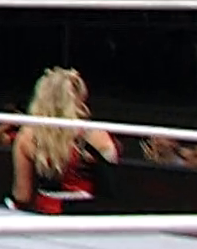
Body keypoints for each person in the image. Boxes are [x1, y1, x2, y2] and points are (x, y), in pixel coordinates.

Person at [10, 67, 120, 214]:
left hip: (47, 214)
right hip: (85, 216)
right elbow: (111, 185)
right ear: (78, 99)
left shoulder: (26, 136)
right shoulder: (95, 134)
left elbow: (22, 195)